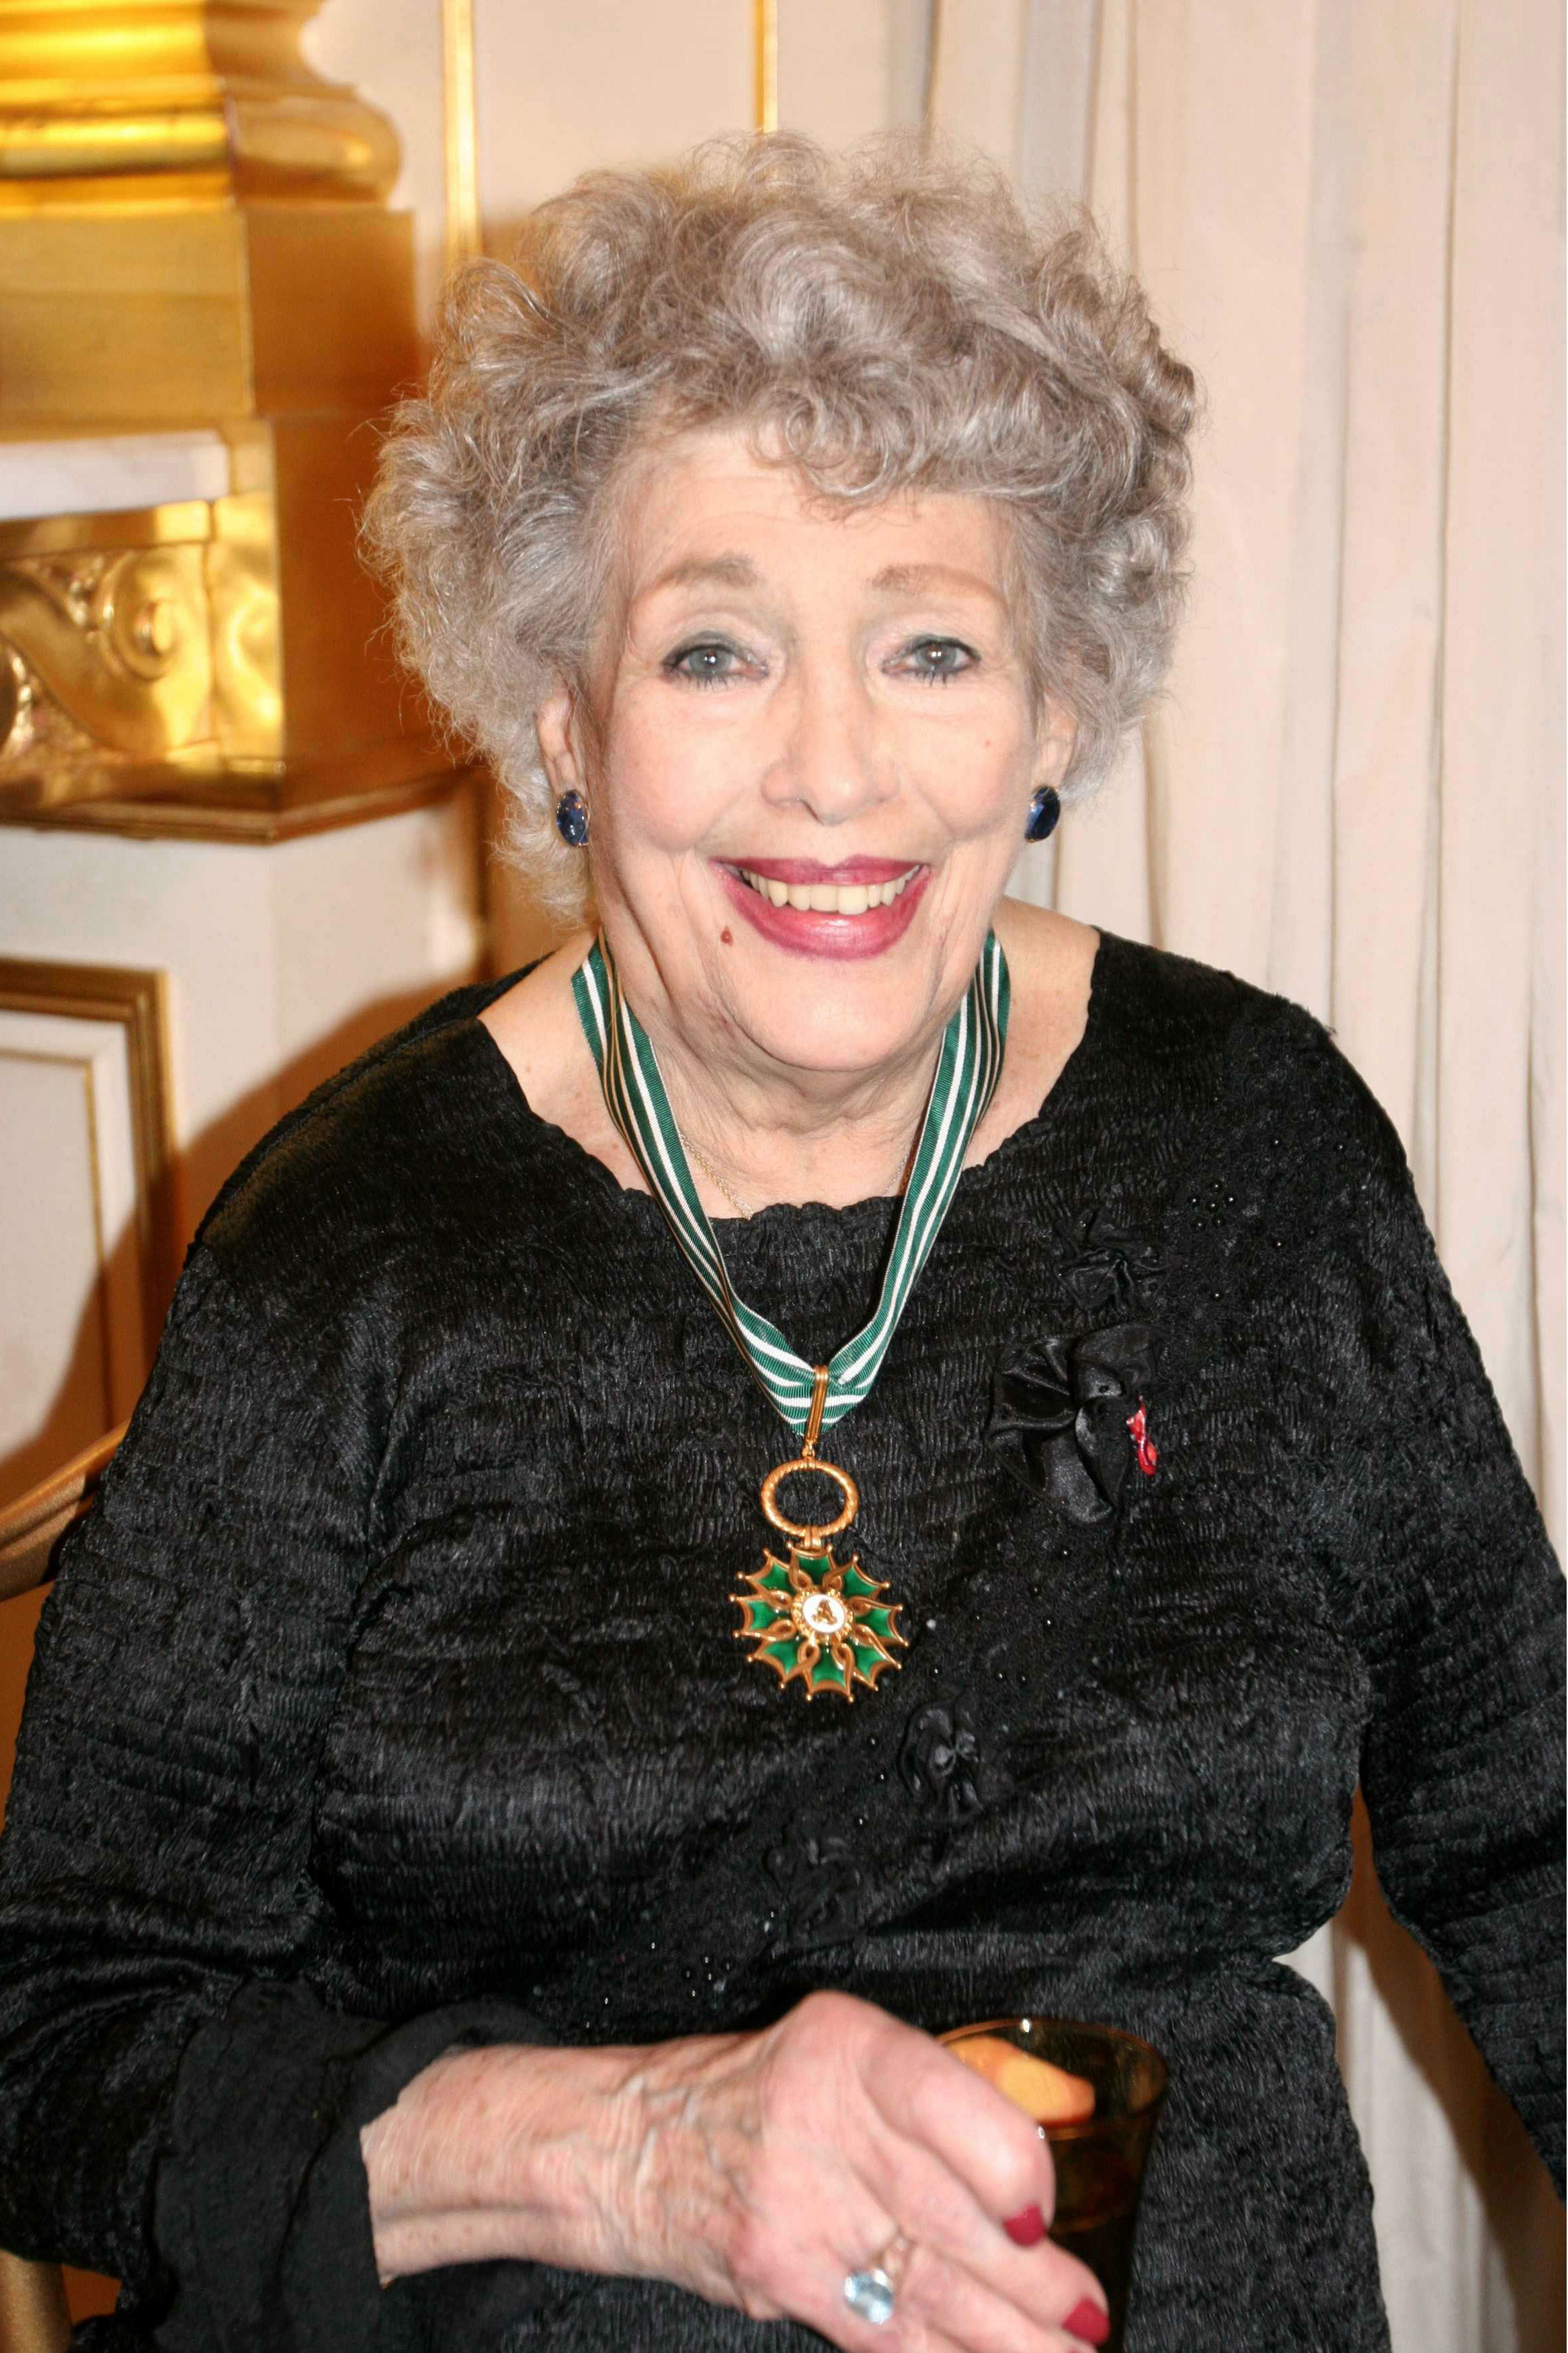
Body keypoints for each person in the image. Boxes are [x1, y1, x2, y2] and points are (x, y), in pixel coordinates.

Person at [0, 134, 1559, 2353]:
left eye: (931, 646)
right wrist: (633, 2147)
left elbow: (1535, 1827)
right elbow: (60, 2032)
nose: (834, 774)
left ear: (1055, 712)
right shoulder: (358, 1255)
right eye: (716, 650)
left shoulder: (1256, 1152)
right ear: (563, 717)